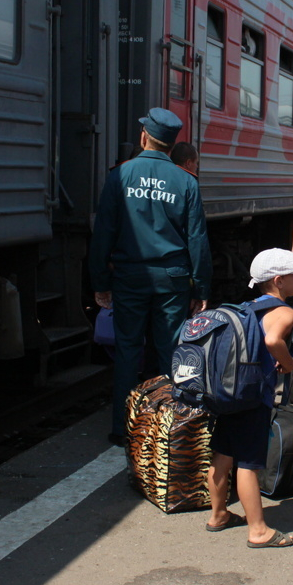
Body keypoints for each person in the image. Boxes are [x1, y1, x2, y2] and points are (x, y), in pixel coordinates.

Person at [90, 108, 211, 445]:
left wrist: (100, 282)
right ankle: (166, 427)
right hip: (172, 280)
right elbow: (197, 240)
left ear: (144, 137)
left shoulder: (120, 176)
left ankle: (123, 428)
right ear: (172, 146)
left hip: (129, 277)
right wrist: (201, 286)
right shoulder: (186, 181)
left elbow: (103, 233)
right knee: (171, 351)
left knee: (128, 351)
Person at [205, 249, 293, 548]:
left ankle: (219, 514)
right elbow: (273, 341)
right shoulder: (285, 312)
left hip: (230, 392)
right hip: (254, 395)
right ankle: (258, 530)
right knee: (248, 462)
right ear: (279, 280)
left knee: (223, 454)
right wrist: (288, 363)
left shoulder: (247, 306)